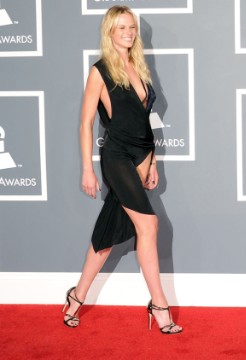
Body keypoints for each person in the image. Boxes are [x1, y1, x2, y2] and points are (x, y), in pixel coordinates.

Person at [62, 5, 182, 335]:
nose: (128, 32)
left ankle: (76, 296)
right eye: (121, 28)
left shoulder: (139, 68)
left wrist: (153, 159)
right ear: (110, 33)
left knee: (106, 236)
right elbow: (86, 123)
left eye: (131, 27)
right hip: (116, 156)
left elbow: (144, 121)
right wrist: (87, 168)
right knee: (150, 224)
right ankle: (159, 305)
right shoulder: (100, 71)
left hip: (142, 154)